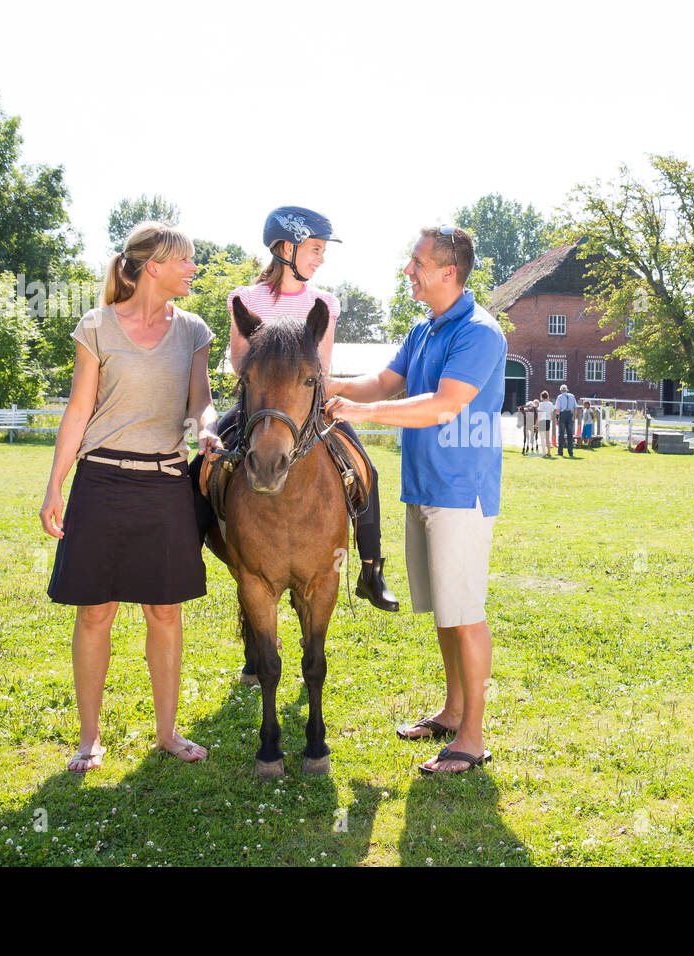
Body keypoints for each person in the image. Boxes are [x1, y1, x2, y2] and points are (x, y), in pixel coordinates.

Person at [324, 225, 506, 774]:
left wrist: (363, 415)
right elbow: (384, 381)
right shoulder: (425, 328)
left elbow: (443, 405)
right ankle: (452, 712)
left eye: (417, 261)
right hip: (423, 487)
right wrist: (319, 383)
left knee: (465, 613)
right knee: (445, 613)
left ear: (447, 272)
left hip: (459, 491)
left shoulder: (479, 332)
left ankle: (471, 738)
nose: (409, 270)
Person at [40, 221, 218, 773]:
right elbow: (78, 409)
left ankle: (167, 732)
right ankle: (89, 737)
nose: (194, 269)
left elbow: (200, 404)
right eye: (186, 260)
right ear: (153, 266)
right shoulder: (96, 326)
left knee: (164, 611)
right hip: (101, 482)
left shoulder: (193, 330)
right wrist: (55, 484)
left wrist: (207, 430)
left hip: (165, 484)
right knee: (96, 613)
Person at [193, 206, 399, 622]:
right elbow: (237, 359)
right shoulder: (244, 299)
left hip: (309, 406)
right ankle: (189, 551)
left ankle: (370, 569)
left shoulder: (324, 302)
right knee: (204, 462)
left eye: (323, 251)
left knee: (367, 469)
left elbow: (321, 365)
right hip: (258, 403)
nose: (322, 258)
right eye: (316, 248)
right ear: (286, 248)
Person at [555, 383, 578, 457]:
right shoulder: (572, 396)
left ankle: (560, 452)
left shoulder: (560, 397)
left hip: (563, 414)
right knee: (570, 435)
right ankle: (570, 452)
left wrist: (557, 418)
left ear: (561, 390)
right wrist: (574, 417)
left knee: (561, 434)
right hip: (570, 415)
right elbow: (575, 407)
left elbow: (558, 409)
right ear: (566, 390)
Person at [535, 390, 555, 458]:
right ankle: (549, 452)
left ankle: (543, 453)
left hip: (542, 420)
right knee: (547, 438)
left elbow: (539, 415)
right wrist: (550, 420)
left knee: (542, 438)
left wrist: (536, 424)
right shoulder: (551, 404)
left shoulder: (541, 404)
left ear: (542, 397)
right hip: (548, 420)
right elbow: (552, 414)